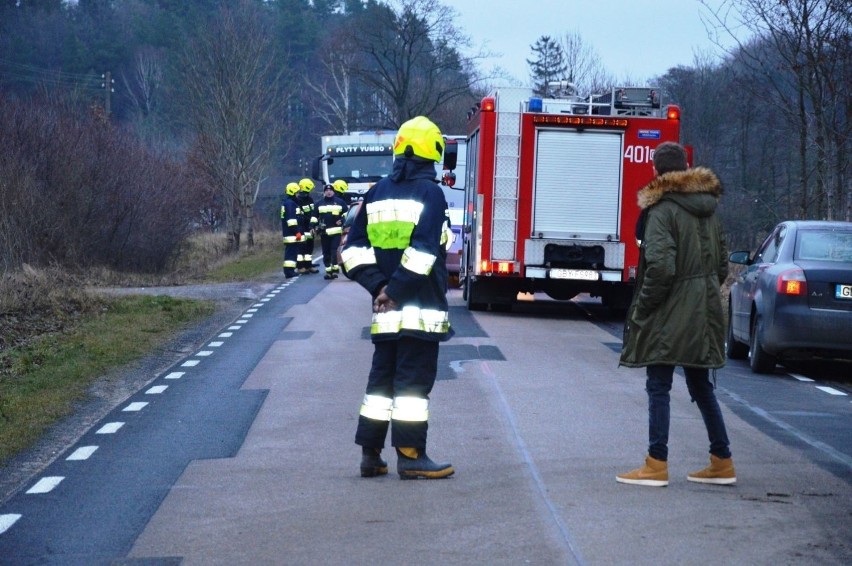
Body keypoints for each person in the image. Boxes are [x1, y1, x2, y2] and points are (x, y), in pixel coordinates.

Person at [341, 116, 455, 480]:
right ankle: (411, 456)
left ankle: (370, 456)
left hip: (385, 312)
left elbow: (352, 251)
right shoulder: (431, 194)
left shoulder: (374, 192)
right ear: (432, 151)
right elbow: (424, 252)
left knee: (380, 384)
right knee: (412, 386)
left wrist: (378, 287)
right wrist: (394, 290)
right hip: (419, 308)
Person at [617, 141, 735, 487]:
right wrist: (704, 294)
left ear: (657, 171)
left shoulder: (662, 210)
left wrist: (645, 307)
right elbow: (722, 264)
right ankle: (722, 460)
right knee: (701, 385)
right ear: (685, 170)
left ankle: (656, 463)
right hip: (706, 307)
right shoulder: (710, 209)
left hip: (671, 309)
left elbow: (661, 268)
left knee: (658, 385)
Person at [315, 182, 349, 279]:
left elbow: (346, 214)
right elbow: (314, 217)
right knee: (326, 252)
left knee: (334, 251)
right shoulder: (319, 204)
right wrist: (313, 226)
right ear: (324, 192)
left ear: (333, 192)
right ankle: (328, 270)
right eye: (327, 190)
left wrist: (342, 220)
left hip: (336, 232)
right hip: (324, 232)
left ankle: (334, 269)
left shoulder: (340, 202)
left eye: (330, 190)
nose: (329, 192)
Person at [280, 182, 304, 279]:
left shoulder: (288, 202)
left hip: (290, 233)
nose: (298, 194)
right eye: (297, 192)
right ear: (293, 192)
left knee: (291, 253)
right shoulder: (290, 204)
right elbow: (291, 220)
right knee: (291, 254)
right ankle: (289, 272)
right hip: (291, 234)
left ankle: (290, 271)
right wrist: (297, 232)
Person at [296, 178, 319, 274]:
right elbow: (299, 216)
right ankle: (300, 267)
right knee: (302, 248)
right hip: (302, 227)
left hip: (310, 227)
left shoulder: (310, 199)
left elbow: (313, 212)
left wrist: (314, 224)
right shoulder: (298, 200)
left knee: (310, 246)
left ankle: (308, 265)